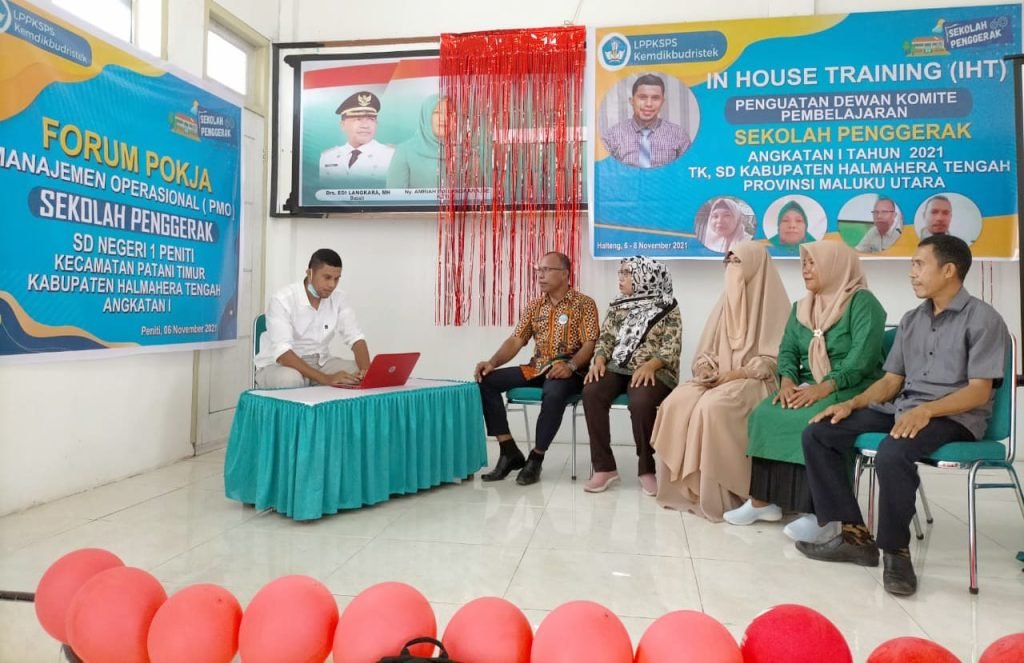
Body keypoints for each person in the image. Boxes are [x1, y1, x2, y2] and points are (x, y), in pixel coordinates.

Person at [798, 235, 1009, 596]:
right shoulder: (912, 320)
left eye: (919, 264)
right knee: (820, 432)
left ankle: (896, 553)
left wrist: (927, 411)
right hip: (906, 409)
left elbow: (979, 391)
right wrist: (852, 404)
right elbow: (891, 382)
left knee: (894, 451)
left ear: (948, 270)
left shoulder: (984, 319)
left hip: (955, 417)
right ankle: (854, 536)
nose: (911, 273)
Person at [724, 241, 887, 543]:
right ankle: (762, 501)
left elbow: (861, 359)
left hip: (851, 386)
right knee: (766, 413)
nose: (806, 270)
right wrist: (787, 382)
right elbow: (787, 349)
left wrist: (824, 388)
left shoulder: (863, 303)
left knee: (810, 419)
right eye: (804, 264)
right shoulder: (801, 307)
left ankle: (818, 515)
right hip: (809, 384)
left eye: (813, 263)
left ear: (835, 266)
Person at [651, 242, 790, 520]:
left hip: (756, 381)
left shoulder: (773, 303)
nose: (731, 268)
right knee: (677, 401)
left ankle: (730, 493)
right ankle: (688, 490)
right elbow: (708, 351)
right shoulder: (725, 304)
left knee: (712, 408)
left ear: (754, 266)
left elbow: (774, 361)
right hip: (721, 377)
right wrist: (706, 370)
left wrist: (735, 374)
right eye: (728, 262)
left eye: (737, 262)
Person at [475, 252, 600, 485]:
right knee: (486, 381)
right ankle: (509, 450)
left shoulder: (584, 304)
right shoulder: (535, 306)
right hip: (536, 369)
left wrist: (571, 365)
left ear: (565, 274)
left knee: (553, 393)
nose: (540, 276)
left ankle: (536, 458)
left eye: (547, 270)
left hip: (569, 371)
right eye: (538, 270)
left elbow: (590, 344)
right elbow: (516, 340)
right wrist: (492, 363)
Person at [581, 257, 682, 496]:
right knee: (592, 391)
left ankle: (647, 469)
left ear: (646, 276)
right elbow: (606, 338)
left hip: (656, 369)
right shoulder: (618, 305)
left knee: (641, 401)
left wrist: (651, 365)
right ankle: (604, 467)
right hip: (617, 366)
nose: (621, 277)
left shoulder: (668, 306)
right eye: (621, 272)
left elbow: (671, 347)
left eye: (627, 273)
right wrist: (599, 360)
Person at [255, 249, 370, 388]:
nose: (332, 285)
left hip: (322, 363)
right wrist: (326, 379)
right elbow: (283, 354)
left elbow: (356, 338)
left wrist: (366, 372)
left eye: (336, 279)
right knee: (290, 380)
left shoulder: (339, 298)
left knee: (356, 373)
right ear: (309, 273)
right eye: (327, 277)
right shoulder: (282, 300)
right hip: (280, 366)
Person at [600, 74, 691, 169]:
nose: (648, 104)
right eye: (642, 97)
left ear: (662, 102)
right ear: (632, 101)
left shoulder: (679, 136)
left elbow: (687, 170)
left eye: (655, 98)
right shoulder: (612, 136)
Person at [319, 91, 395, 183]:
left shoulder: (393, 156)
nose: (365, 125)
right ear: (343, 125)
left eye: (371, 119)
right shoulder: (328, 157)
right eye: (358, 119)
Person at [386, 94, 444, 189]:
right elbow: (394, 195)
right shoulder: (405, 151)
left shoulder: (465, 153)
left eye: (450, 112)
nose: (444, 118)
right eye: (437, 112)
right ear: (426, 116)